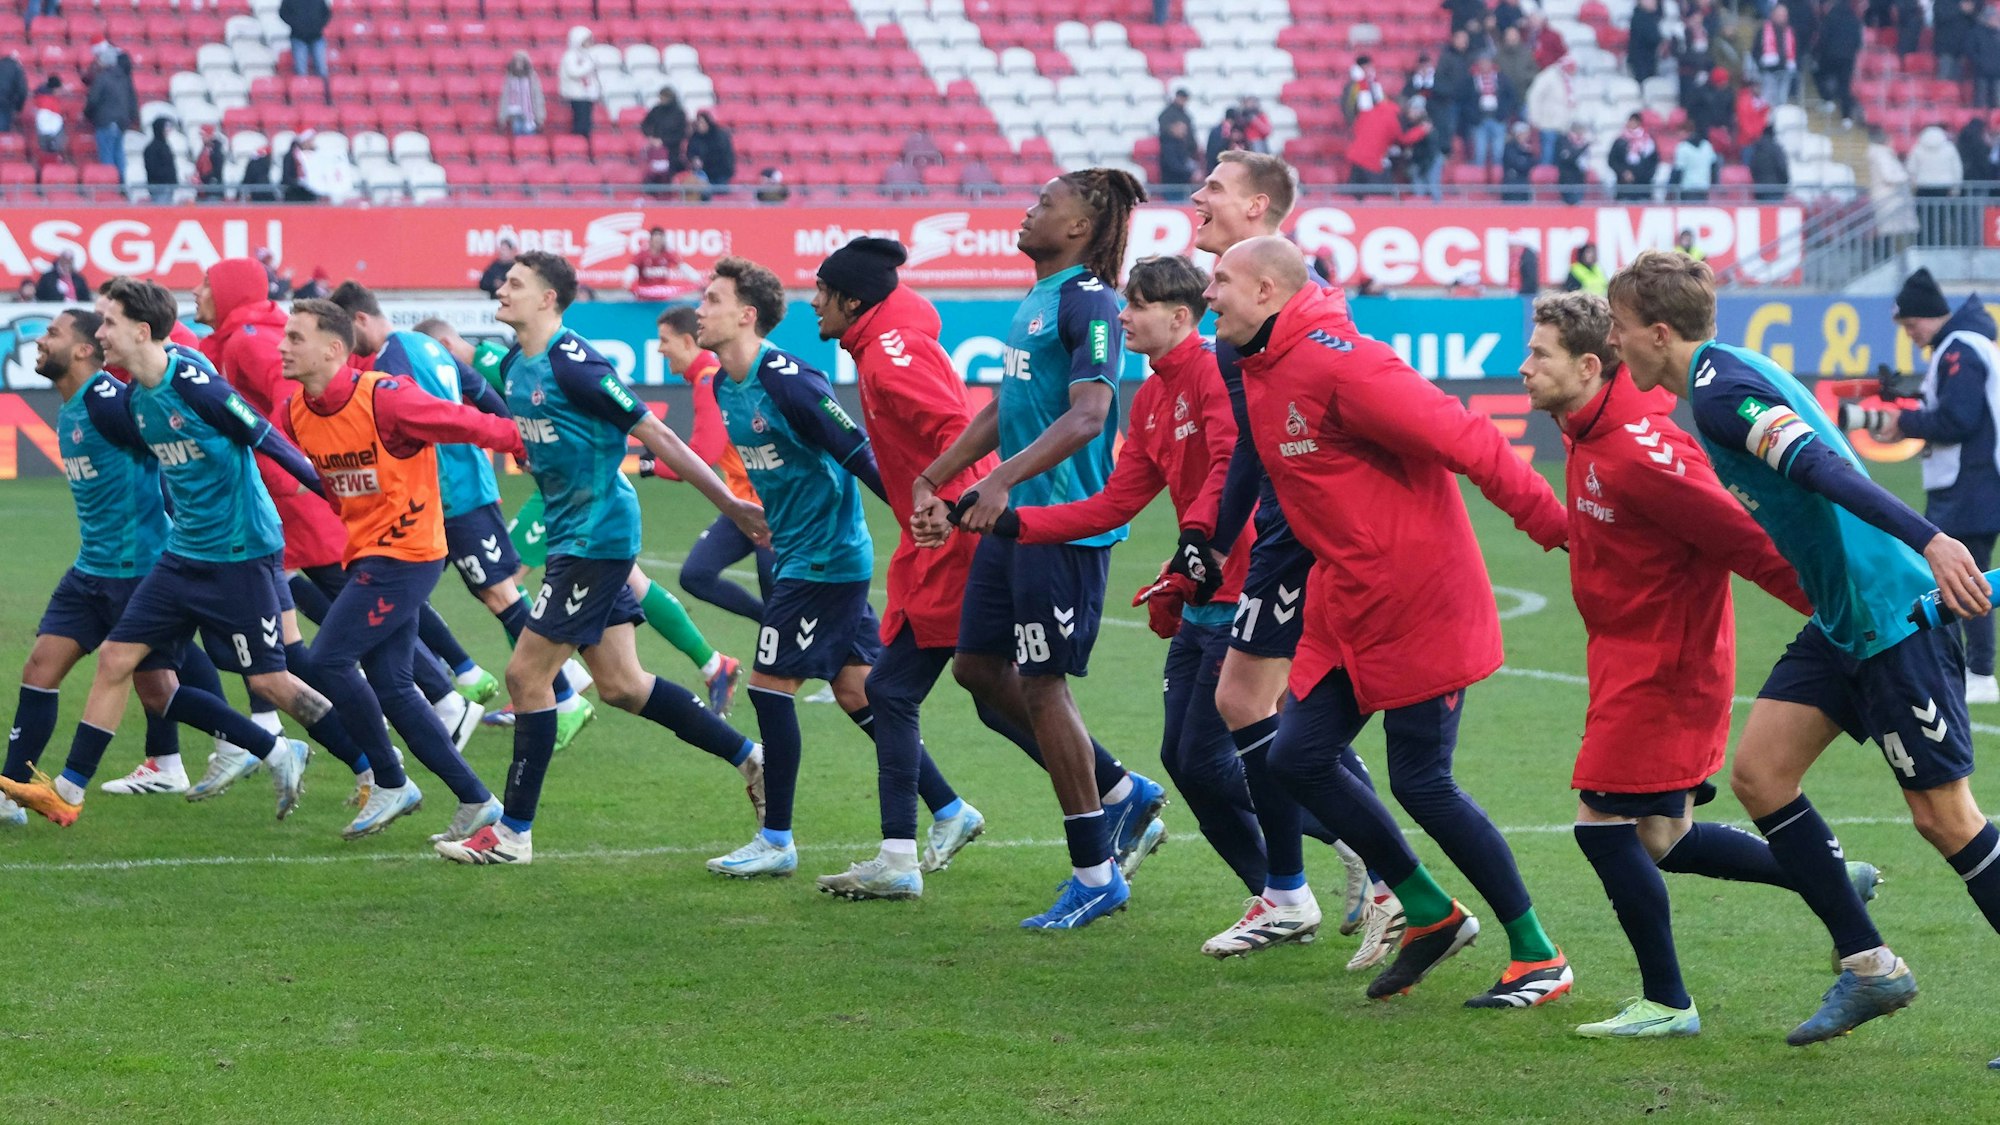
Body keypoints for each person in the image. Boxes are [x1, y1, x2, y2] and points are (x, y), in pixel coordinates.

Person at [1607, 249, 2000, 1050]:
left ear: (1656, 332)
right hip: (1844, 619)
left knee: (1945, 817)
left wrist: (1930, 538)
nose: (1614, 344)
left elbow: (1818, 466)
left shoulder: (1721, 395)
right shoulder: (1722, 376)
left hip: (1891, 617)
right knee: (1760, 774)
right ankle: (1870, 967)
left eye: (1617, 329)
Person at [1204, 235, 1572, 1005]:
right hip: (1348, 604)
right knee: (1296, 758)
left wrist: (1557, 526)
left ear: (1269, 290)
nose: (1210, 294)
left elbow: (1467, 438)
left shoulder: (1346, 364)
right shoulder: (1255, 364)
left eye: (1222, 281)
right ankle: (1431, 911)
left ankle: (1539, 952)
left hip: (1419, 599)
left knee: (1421, 782)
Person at [1521, 293, 1881, 1037]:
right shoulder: (1586, 429)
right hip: (1627, 658)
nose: (1524, 368)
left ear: (1590, 366)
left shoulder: (1641, 449)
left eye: (1539, 355)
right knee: (1664, 838)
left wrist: (1844, 617)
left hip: (1666, 667)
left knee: (1600, 824)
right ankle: (1825, 877)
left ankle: (1668, 1001)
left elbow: (1749, 542)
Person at [997, 255, 1316, 954]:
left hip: (1240, 587)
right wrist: (1016, 522)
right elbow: (1117, 502)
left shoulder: (1210, 371)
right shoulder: (1148, 398)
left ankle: (1335, 848)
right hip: (1200, 591)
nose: (1122, 318)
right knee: (1185, 757)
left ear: (1179, 317)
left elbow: (1234, 465)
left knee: (1215, 758)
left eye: (1136, 306)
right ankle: (1277, 893)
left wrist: (1197, 545)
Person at [434, 251, 770, 867]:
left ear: (549, 300)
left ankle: (512, 834)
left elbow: (657, 435)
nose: (501, 291)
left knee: (525, 678)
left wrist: (728, 500)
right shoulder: (515, 364)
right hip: (574, 534)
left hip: (594, 539)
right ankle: (752, 758)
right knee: (620, 685)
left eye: (515, 284)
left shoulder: (576, 362)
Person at [0, 279, 371, 827]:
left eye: (108, 324)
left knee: (265, 681)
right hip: (165, 557)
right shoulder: (137, 398)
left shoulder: (152, 394)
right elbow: (174, 463)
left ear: (140, 331)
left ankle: (373, 770)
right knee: (112, 666)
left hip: (225, 553)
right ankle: (61, 792)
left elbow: (263, 436)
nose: (102, 332)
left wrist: (342, 499)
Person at [913, 170, 1171, 930]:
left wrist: (1001, 482)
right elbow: (1010, 404)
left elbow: (1091, 414)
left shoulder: (1092, 301)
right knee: (978, 669)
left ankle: (1095, 873)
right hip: (1015, 519)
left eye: (1044, 205)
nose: (1028, 212)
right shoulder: (1038, 295)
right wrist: (940, 474)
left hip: (1062, 525)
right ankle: (1122, 792)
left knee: (1043, 682)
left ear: (1080, 228)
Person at [1181, 151, 1388, 966]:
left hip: (1305, 532)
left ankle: (1369, 881)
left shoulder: (1300, 304)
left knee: (1259, 707)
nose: (1198, 198)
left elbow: (1325, 419)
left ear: (1258, 208)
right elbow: (1251, 450)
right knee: (1262, 708)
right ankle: (1303, 885)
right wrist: (1212, 540)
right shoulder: (1240, 311)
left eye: (1216, 190)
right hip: (1278, 529)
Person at [277, 299, 525, 842]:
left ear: (333, 349)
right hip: (368, 552)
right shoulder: (296, 411)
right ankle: (477, 800)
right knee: (392, 683)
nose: (283, 346)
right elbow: (289, 459)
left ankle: (389, 779)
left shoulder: (384, 397)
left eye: (296, 338)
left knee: (329, 659)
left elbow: (457, 418)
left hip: (408, 553)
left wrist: (517, 439)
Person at [0, 309, 251, 821]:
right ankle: (12, 795)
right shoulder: (69, 406)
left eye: (52, 334)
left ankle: (258, 744)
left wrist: (194, 518)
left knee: (160, 685)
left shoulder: (110, 404)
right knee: (40, 669)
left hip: (137, 570)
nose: (40, 342)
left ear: (85, 348)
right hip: (92, 570)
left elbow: (174, 450)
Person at [1854, 269, 2000, 704]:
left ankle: (1978, 673)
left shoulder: (1959, 350)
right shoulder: (1961, 346)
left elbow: (1958, 419)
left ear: (1927, 314)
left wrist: (1906, 422)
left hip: (1970, 482)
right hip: (1968, 480)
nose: (1909, 332)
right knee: (1959, 572)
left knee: (1961, 573)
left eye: (1910, 322)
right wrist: (1912, 415)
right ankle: (1969, 669)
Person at [642, 307, 774, 623]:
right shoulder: (711, 377)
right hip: (744, 504)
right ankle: (772, 624)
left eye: (665, 340)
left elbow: (702, 456)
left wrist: (653, 466)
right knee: (697, 574)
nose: (660, 349)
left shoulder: (710, 380)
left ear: (688, 341)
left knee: (784, 602)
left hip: (772, 507)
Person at [84, 52, 135, 181]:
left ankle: (110, 186)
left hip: (105, 121)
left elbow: (93, 100)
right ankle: (123, 185)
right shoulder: (125, 78)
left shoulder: (102, 78)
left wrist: (88, 115)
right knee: (119, 155)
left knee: (107, 156)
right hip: (122, 122)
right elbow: (132, 100)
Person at [1868, 125, 1919, 243]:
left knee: (1887, 233)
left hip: (1886, 197)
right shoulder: (1882, 155)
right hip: (1889, 198)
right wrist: (1907, 178)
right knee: (1887, 233)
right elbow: (1889, 176)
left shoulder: (1878, 154)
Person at [1526, 57, 1580, 165]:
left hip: (1563, 126)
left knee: (1558, 156)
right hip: (1547, 123)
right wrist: (1535, 117)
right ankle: (1545, 178)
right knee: (1547, 154)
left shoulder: (1568, 80)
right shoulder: (1548, 77)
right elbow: (1533, 96)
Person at [1816, 0, 1862, 126]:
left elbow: (1823, 38)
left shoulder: (1830, 18)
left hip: (1830, 56)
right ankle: (1846, 117)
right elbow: (1858, 42)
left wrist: (1818, 53)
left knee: (1819, 74)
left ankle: (1828, 99)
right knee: (1844, 87)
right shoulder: (1855, 20)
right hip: (1848, 59)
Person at [628, 228, 701, 302]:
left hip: (661, 295)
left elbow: (682, 267)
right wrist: (627, 281)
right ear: (651, 241)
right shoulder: (641, 255)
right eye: (656, 240)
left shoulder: (668, 254)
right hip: (645, 295)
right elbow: (632, 269)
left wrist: (697, 279)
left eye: (660, 241)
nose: (658, 243)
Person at [558, 26, 599, 138]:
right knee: (580, 123)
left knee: (587, 123)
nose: (589, 43)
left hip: (587, 94)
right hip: (577, 94)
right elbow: (574, 72)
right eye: (586, 40)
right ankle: (578, 143)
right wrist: (589, 65)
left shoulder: (587, 54)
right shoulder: (570, 56)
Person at [1757, 3, 1800, 107]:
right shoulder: (1763, 31)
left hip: (1785, 71)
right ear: (1773, 14)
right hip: (1768, 72)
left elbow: (1795, 49)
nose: (1782, 17)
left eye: (1784, 15)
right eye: (1780, 14)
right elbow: (1756, 50)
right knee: (1768, 100)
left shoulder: (1790, 31)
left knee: (1782, 101)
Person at [1609, 113, 1660, 202]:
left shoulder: (1648, 141)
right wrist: (1623, 172)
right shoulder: (1620, 140)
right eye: (1630, 121)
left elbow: (1654, 161)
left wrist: (1645, 174)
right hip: (1624, 188)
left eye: (1634, 121)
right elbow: (1612, 160)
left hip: (1643, 187)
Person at [279, 0, 331, 80]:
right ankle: (304, 91)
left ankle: (323, 91)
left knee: (322, 70)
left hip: (316, 37)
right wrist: (296, 25)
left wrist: (318, 26)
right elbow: (283, 13)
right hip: (298, 38)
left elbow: (326, 13)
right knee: (301, 72)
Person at [497, 51, 545, 137]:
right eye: (517, 61)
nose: (519, 63)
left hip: (530, 114)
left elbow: (538, 97)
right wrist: (502, 117)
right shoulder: (509, 77)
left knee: (530, 140)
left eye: (521, 61)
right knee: (518, 140)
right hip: (515, 114)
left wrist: (540, 116)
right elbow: (505, 97)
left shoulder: (532, 77)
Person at [685, 110, 735, 189]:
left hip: (720, 174)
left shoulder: (720, 137)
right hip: (702, 174)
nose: (700, 125)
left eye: (702, 123)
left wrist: (704, 161)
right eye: (699, 123)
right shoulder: (695, 138)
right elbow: (690, 152)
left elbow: (723, 156)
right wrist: (694, 159)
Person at [639, 86, 688, 166]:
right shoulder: (656, 110)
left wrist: (663, 141)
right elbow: (645, 124)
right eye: (661, 97)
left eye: (664, 97)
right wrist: (650, 137)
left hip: (673, 150)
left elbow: (681, 134)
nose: (661, 99)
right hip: (655, 148)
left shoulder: (679, 113)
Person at [1748, 123, 1791, 204]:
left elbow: (1752, 167)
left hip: (1759, 189)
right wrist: (1785, 182)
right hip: (1775, 188)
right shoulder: (1776, 149)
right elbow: (1782, 166)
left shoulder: (1756, 149)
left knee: (1764, 214)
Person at [1555, 120, 1593, 204]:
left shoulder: (1582, 142)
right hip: (1567, 180)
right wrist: (1584, 147)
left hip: (1580, 179)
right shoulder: (1564, 141)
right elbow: (1568, 158)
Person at [1672, 131, 1717, 201]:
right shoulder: (1707, 146)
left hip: (1687, 187)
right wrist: (1714, 182)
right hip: (1703, 186)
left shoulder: (1683, 147)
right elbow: (1714, 167)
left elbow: (1678, 171)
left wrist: (1672, 187)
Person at [142, 117, 177, 204]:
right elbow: (152, 169)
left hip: (168, 187)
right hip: (159, 187)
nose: (168, 130)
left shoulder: (166, 146)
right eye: (166, 127)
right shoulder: (151, 149)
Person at [1628, 0, 1664, 83]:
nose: (1655, 2)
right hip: (1641, 62)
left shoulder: (1651, 17)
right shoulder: (1640, 18)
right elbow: (1653, 38)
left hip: (1649, 60)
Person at [1500, 121, 1537, 202]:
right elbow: (1518, 163)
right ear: (1518, 134)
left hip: (1524, 183)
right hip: (1511, 185)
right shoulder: (1509, 147)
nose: (1527, 136)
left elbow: (1533, 162)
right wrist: (1525, 160)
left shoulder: (1527, 149)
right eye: (1525, 133)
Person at [32, 75, 65, 159]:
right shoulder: (47, 101)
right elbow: (44, 122)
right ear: (55, 89)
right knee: (49, 157)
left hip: (46, 135)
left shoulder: (42, 97)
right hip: (50, 135)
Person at [194, 125, 226, 200]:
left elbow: (217, 170)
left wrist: (203, 178)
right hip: (203, 189)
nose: (202, 138)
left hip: (213, 189)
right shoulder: (205, 149)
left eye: (204, 135)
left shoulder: (216, 150)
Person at [0, 50, 26, 134]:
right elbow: (22, 90)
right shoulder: (16, 68)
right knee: (3, 132)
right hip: (6, 102)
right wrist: (19, 107)